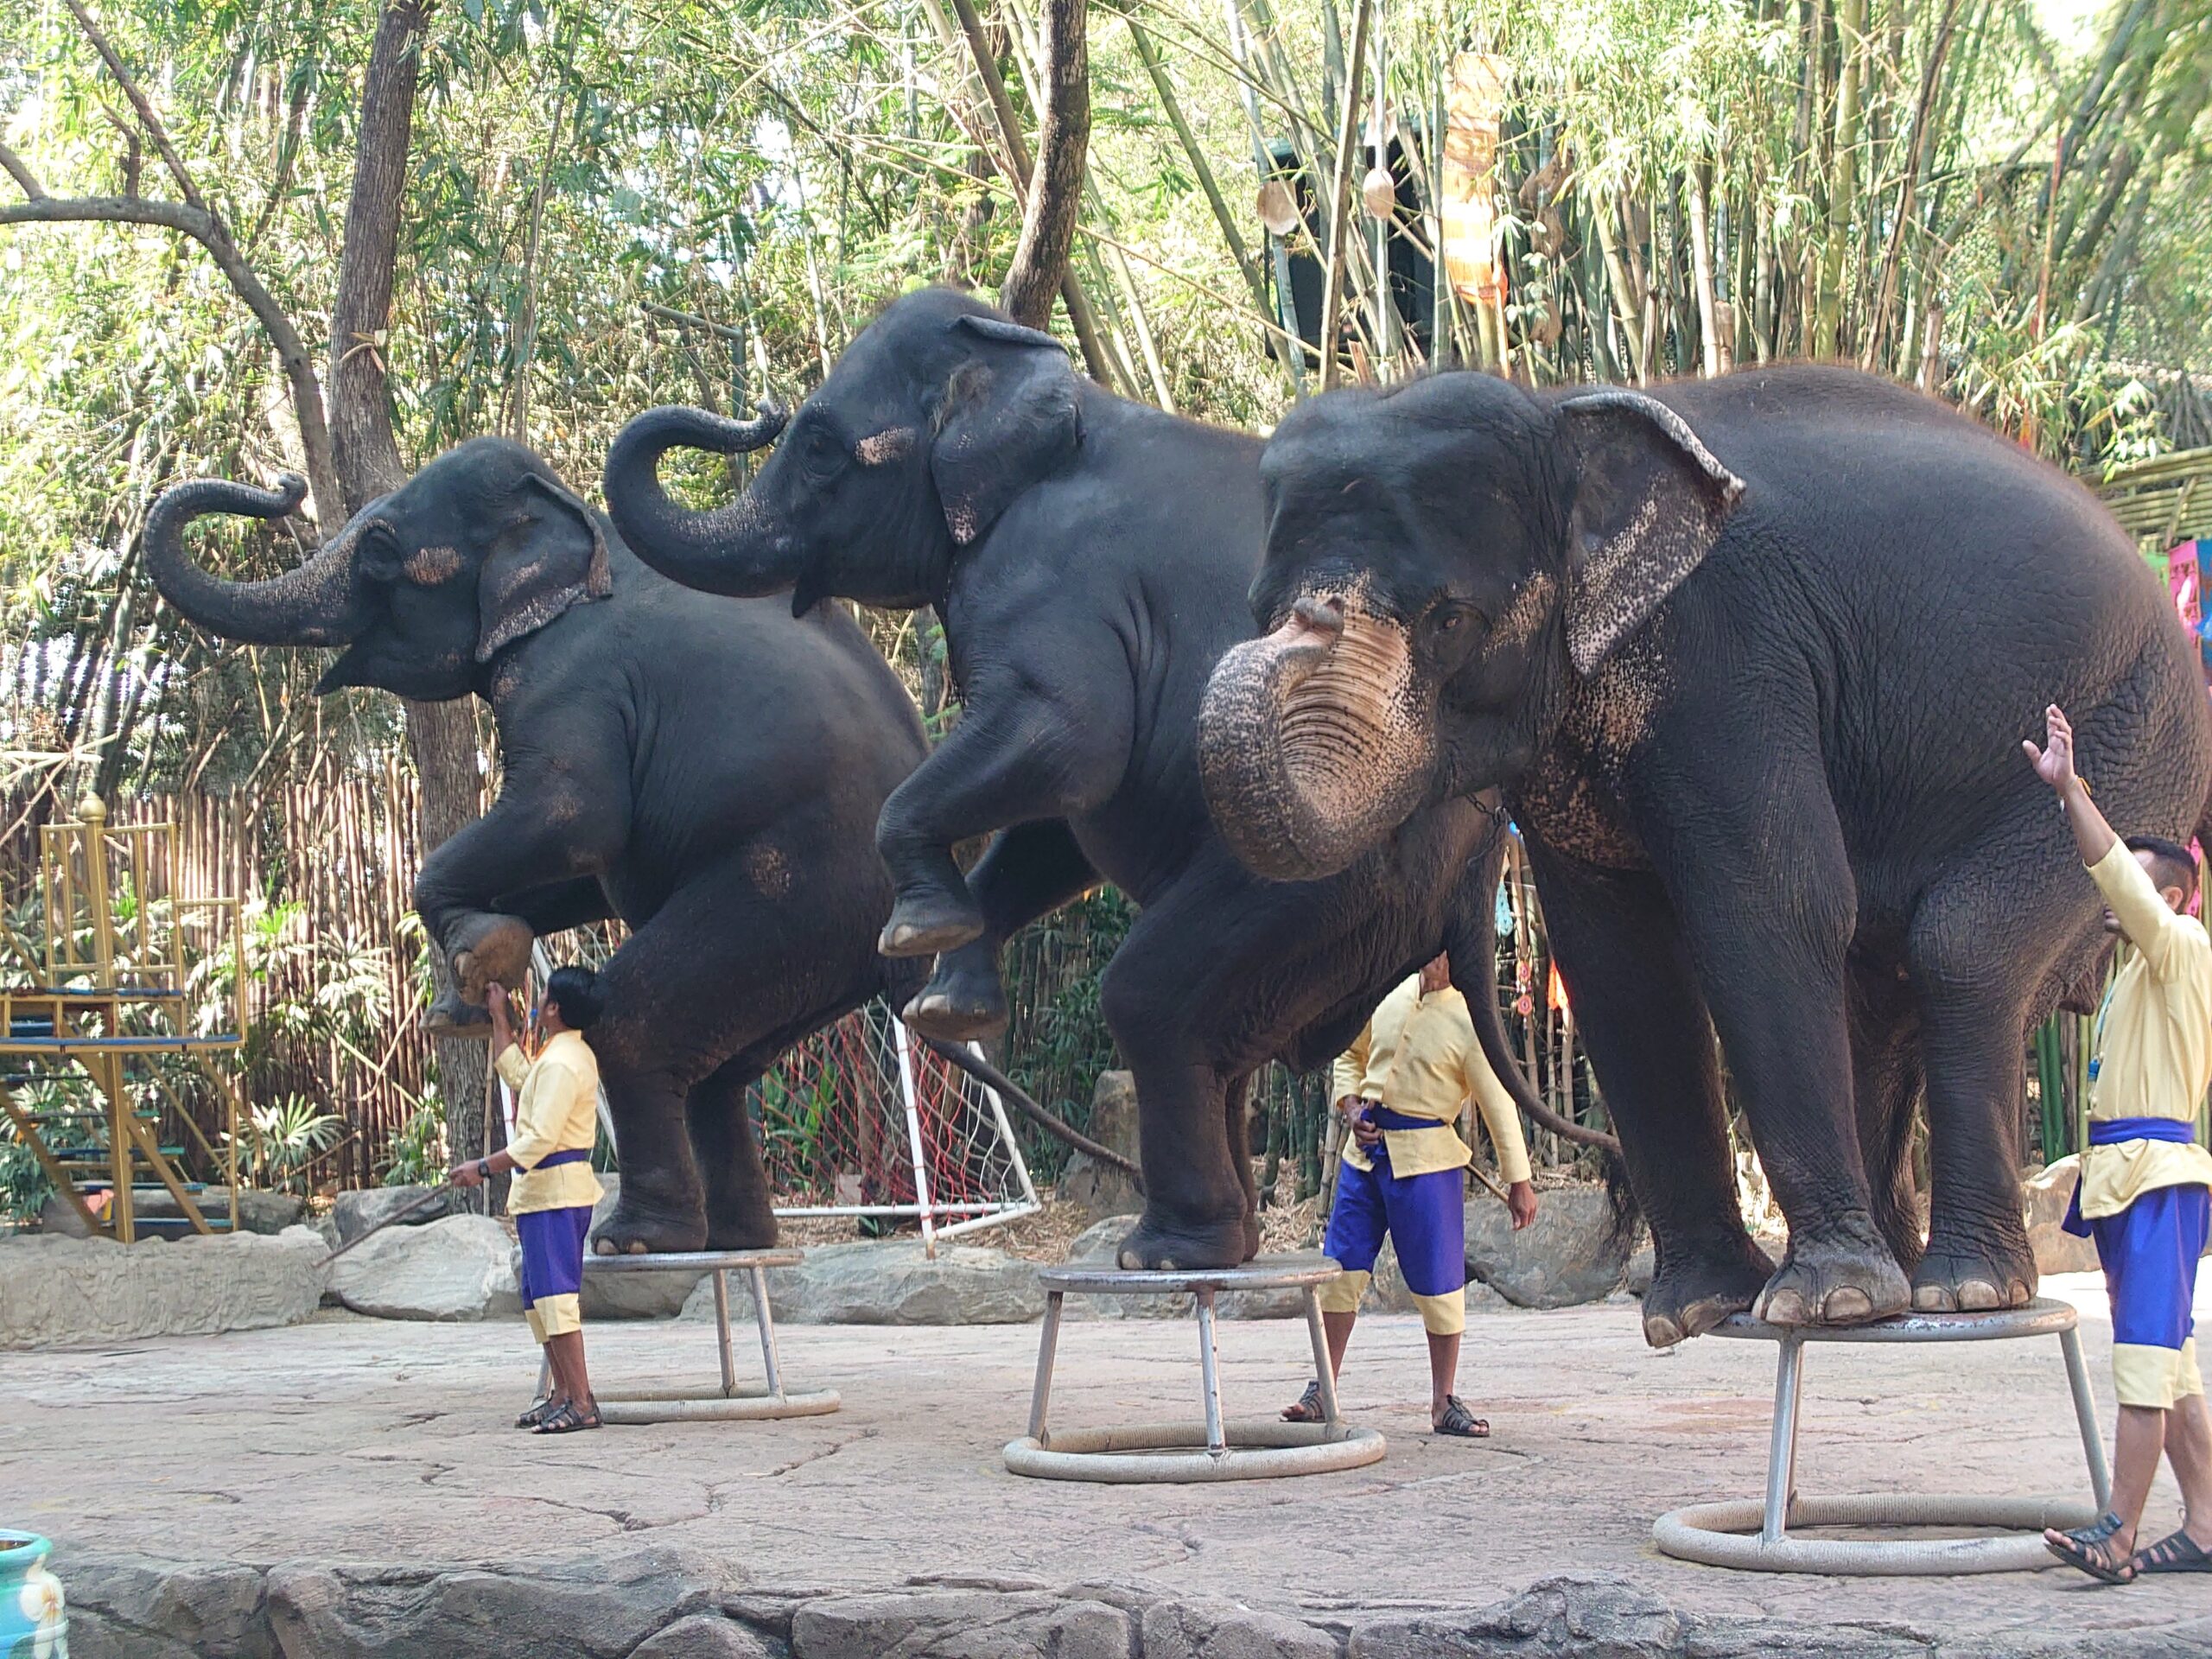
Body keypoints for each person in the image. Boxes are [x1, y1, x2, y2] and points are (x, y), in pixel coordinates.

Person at [2027, 704, 2212, 1580]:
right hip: (2132, 1181)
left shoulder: (2177, 944)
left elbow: (2118, 880)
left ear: (2169, 895)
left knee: (2142, 1363)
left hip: (2154, 1182)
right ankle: (2207, 1526)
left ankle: (2119, 1533)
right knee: (2170, 1370)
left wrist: (2070, 790)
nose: (2115, 900)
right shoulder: (2142, 971)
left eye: (2136, 886)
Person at [1283, 953, 1540, 1437]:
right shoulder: (1387, 991)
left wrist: (1518, 1179)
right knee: (1340, 1272)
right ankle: (1324, 1389)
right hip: (1363, 1160)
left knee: (1440, 1285)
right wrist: (1352, 1106)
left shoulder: (1470, 1017)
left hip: (1427, 1162)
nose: (1435, 957)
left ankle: (1444, 1400)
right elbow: (1350, 1055)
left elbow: (1497, 1100)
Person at [451, 967, 607, 1435]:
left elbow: (538, 1140)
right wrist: (500, 1019)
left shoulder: (563, 1063)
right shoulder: (557, 1056)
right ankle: (562, 1392)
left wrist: (481, 1168)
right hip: (541, 1193)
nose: (536, 1001)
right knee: (539, 1298)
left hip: (555, 1193)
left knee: (557, 1298)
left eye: (543, 996)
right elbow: (519, 1075)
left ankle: (580, 1400)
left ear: (554, 1007)